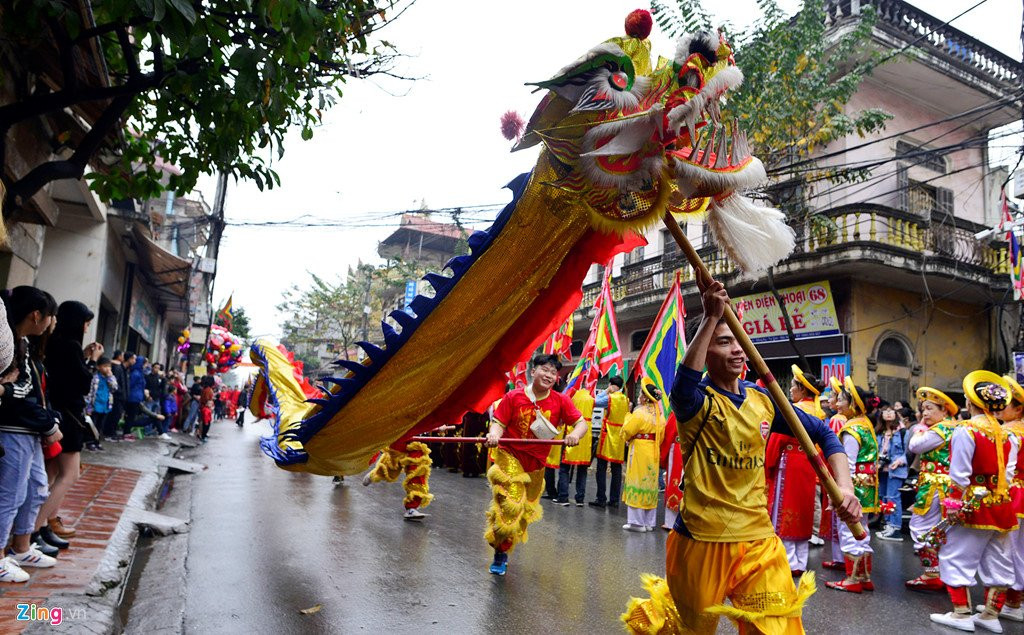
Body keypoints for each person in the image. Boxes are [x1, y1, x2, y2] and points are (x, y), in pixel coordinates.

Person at [621, 279, 860, 634]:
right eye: (723, 342)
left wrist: (845, 487)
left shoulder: (764, 400)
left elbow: (825, 435)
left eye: (738, 341)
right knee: (691, 630)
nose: (737, 350)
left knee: (777, 628)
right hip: (700, 542)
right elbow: (683, 385)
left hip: (759, 541)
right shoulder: (696, 402)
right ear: (705, 352)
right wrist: (709, 318)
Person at [929, 371, 1018, 632]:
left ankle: (961, 614)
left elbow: (958, 476)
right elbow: (1009, 475)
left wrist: (953, 507)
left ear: (970, 403)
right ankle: (990, 615)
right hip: (1001, 505)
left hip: (973, 505)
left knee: (956, 556)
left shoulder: (966, 430)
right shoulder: (1007, 434)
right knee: (999, 559)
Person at [484, 353, 587, 576]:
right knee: (510, 504)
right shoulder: (513, 396)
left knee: (524, 511)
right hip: (509, 456)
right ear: (533, 371)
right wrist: (493, 435)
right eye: (545, 370)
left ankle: (505, 542)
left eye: (553, 372)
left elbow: (581, 423)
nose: (549, 375)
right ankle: (500, 555)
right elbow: (498, 423)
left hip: (537, 463)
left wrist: (574, 435)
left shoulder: (561, 401)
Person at [0, 287, 62, 582]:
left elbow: (22, 388)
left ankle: (20, 547)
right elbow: (20, 391)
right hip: (15, 427)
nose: (52, 324)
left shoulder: (24, 344)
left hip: (30, 427)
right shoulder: (10, 343)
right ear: (36, 315)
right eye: (51, 317)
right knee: (10, 493)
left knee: (36, 487)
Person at [36, 301, 101, 549]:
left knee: (50, 474)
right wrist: (92, 360)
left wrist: (83, 357)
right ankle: (35, 528)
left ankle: (41, 526)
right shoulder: (69, 346)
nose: (87, 327)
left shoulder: (53, 342)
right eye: (86, 322)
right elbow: (83, 384)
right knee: (69, 474)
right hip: (69, 417)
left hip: (56, 414)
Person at [765, 365, 824, 577]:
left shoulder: (794, 410)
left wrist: (768, 463)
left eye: (792, 386)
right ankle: (800, 559)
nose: (790, 390)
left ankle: (788, 560)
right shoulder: (819, 411)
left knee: (785, 508)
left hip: (790, 462)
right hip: (809, 465)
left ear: (802, 388)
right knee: (803, 510)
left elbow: (778, 438)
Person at [904, 386, 962, 593]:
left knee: (920, 526)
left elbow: (915, 446)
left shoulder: (941, 429)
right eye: (923, 409)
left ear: (944, 410)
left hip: (934, 487)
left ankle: (932, 573)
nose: (925, 413)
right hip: (944, 486)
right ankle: (942, 574)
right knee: (942, 529)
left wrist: (920, 428)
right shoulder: (952, 427)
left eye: (930, 408)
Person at [825, 377, 879, 593]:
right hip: (868, 488)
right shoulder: (866, 425)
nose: (837, 404)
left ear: (852, 404)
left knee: (848, 529)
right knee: (862, 530)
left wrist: (841, 490)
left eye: (842, 400)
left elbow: (847, 463)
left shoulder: (851, 429)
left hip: (855, 487)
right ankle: (864, 577)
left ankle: (852, 579)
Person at [621, 378, 665, 532]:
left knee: (637, 481)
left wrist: (627, 415)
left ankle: (636, 522)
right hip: (653, 450)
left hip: (639, 449)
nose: (639, 395)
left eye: (641, 393)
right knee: (650, 483)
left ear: (645, 397)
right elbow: (662, 436)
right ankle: (648, 522)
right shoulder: (660, 415)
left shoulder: (639, 413)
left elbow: (627, 431)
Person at [998, 374, 1024, 622]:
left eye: (1004, 404)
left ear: (1018, 409)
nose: (999, 407)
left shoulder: (1009, 432)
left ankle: (1013, 602)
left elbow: (1006, 468)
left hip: (1015, 494)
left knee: (1012, 549)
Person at [362, 440, 434, 521]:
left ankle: (412, 508)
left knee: (418, 474)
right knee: (389, 470)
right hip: (400, 441)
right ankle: (373, 475)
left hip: (416, 445)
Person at [590, 375, 628, 509]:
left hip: (608, 435)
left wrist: (606, 391)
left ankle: (601, 498)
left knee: (601, 467)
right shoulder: (625, 399)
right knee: (617, 469)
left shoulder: (609, 398)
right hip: (620, 437)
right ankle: (614, 500)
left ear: (611, 384)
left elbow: (595, 401)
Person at [558, 388, 595, 506]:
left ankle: (563, 497)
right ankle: (580, 499)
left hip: (572, 431)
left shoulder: (570, 396)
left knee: (564, 468)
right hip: (585, 433)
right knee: (582, 469)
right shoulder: (592, 398)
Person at [878, 404, 909, 541]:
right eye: (886, 411)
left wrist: (900, 461)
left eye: (891, 411)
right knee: (884, 497)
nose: (889, 413)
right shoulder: (880, 432)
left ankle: (895, 527)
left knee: (893, 497)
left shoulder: (902, 431)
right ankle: (888, 524)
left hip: (895, 469)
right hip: (882, 469)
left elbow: (909, 451)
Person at [86, 357, 117, 451]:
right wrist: (88, 407)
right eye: (105, 366)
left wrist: (110, 377)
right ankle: (90, 442)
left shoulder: (111, 377)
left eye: (109, 366)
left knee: (100, 425)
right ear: (98, 367)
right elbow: (90, 392)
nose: (107, 369)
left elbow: (114, 388)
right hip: (95, 405)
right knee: (92, 425)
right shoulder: (95, 377)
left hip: (105, 405)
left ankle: (97, 442)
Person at [106, 350, 126, 442]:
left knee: (115, 415)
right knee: (115, 415)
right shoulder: (117, 367)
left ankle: (111, 432)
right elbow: (116, 382)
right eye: (122, 355)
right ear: (118, 356)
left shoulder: (118, 366)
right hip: (117, 395)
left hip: (118, 395)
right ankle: (110, 433)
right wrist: (120, 392)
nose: (123, 357)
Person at [124, 353, 145, 439]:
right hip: (133, 398)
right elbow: (130, 385)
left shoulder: (139, 372)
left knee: (132, 415)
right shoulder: (136, 373)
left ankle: (127, 432)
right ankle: (126, 432)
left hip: (136, 397)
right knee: (131, 416)